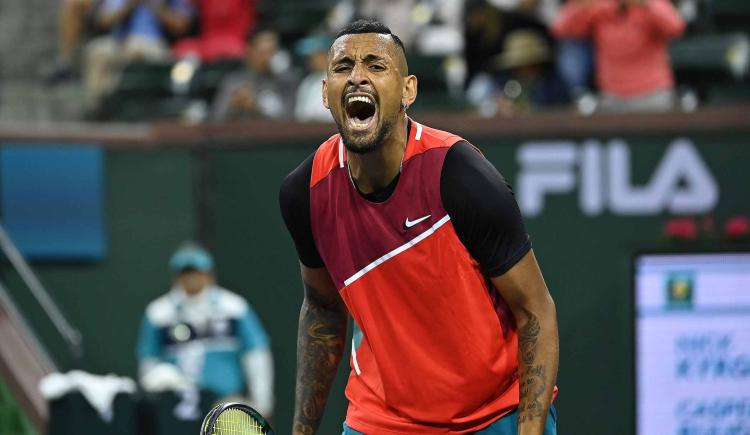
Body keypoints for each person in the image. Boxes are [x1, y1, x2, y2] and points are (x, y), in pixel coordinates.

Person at [279, 19, 559, 435]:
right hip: (382, 420)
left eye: (375, 65)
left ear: (408, 90)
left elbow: (535, 311)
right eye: (343, 68)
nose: (357, 76)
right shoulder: (305, 192)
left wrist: (531, 430)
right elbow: (322, 309)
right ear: (324, 93)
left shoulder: (460, 175)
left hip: (491, 415)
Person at [136, 242, 274, 417]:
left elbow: (256, 356)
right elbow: (149, 363)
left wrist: (262, 403)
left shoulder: (234, 308)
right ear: (176, 276)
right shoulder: (158, 314)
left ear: (209, 274)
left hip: (224, 403)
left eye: (196, 272)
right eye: (185, 273)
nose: (191, 278)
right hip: (176, 406)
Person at [552, 0, 686, 112]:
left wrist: (646, 3)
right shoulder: (601, 8)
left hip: (653, 95)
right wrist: (580, 5)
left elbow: (675, 27)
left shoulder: (649, 3)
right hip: (611, 97)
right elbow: (561, 28)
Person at [83, 0, 193, 109]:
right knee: (98, 51)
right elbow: (104, 21)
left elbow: (181, 25)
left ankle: (138, 105)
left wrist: (154, 6)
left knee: (138, 49)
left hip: (153, 43)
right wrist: (129, 5)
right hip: (118, 42)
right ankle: (99, 106)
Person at [211, 30, 298, 122]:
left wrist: (255, 106)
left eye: (271, 52)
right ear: (249, 51)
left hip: (273, 135)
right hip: (238, 135)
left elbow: (289, 119)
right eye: (263, 53)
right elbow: (215, 119)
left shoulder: (285, 82)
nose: (267, 58)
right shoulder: (233, 82)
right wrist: (233, 106)